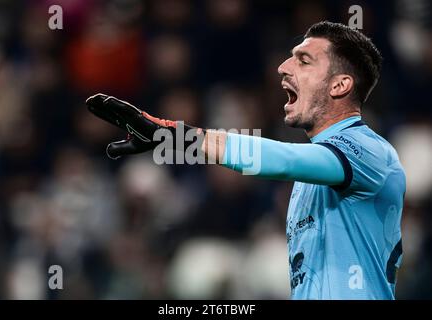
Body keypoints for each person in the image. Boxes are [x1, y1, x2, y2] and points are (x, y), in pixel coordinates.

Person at [86, 21, 405, 300]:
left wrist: (175, 136)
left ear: (340, 85)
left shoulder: (367, 149)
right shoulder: (320, 174)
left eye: (303, 61)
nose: (283, 67)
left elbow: (282, 159)